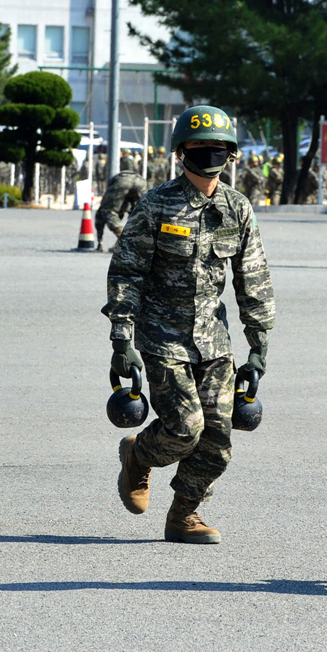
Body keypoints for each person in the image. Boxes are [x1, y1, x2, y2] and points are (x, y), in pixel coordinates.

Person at [103, 105, 275, 544]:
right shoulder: (157, 205)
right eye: (198, 147)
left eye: (217, 147)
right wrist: (122, 339)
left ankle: (184, 514)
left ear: (231, 153)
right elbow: (126, 273)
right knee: (184, 429)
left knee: (218, 440)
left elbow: (253, 279)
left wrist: (258, 347)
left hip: (215, 342)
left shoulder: (237, 209)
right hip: (163, 339)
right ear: (182, 152)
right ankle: (137, 456)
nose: (208, 154)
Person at [95, 167, 149, 250]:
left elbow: (102, 213)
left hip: (123, 182)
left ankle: (125, 240)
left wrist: (99, 242)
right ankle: (143, 242)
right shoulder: (126, 200)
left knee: (108, 211)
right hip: (141, 181)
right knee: (141, 214)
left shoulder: (116, 182)